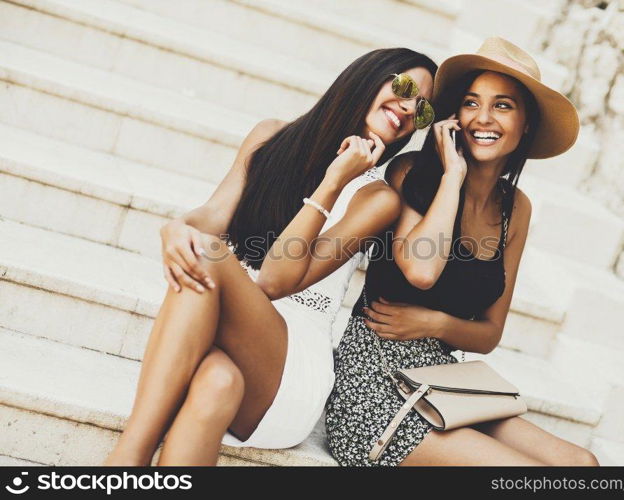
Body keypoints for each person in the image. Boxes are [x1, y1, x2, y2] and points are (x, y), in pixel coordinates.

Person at [104, 48, 437, 466]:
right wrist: (178, 226)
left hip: (290, 368)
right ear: (367, 76)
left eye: (422, 109)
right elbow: (213, 215)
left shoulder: (376, 199)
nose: (408, 109)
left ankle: (125, 462)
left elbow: (276, 280)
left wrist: (333, 181)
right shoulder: (270, 137)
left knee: (209, 256)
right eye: (405, 88)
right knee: (216, 382)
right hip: (226, 337)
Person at [325, 37, 599, 466]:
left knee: (581, 464)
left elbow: (489, 333)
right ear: (455, 115)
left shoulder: (515, 208)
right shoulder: (413, 172)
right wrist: (453, 175)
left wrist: (434, 322)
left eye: (503, 106)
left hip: (445, 381)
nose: (483, 118)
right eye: (472, 103)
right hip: (373, 380)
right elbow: (420, 270)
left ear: (526, 124)